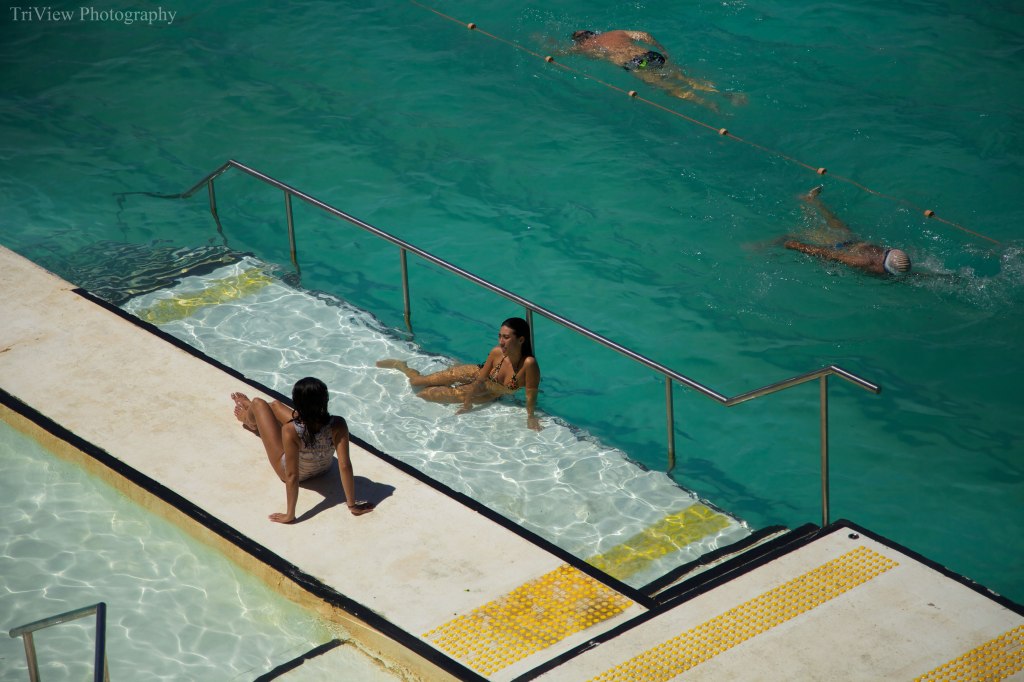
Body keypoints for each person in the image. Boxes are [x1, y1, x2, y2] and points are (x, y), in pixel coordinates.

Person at [231, 377, 375, 524]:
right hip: (324, 468)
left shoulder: (290, 430)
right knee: (275, 405)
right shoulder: (339, 424)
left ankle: (248, 419)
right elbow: (345, 466)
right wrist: (352, 505)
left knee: (258, 403)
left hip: (295, 474)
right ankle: (254, 412)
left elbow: (292, 475)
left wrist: (290, 514)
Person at [377, 317, 542, 431]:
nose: (501, 341)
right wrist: (468, 402)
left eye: (506, 337)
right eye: (499, 336)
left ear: (521, 340)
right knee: (417, 382)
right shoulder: (496, 352)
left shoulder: (528, 364)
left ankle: (453, 371)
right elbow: (480, 378)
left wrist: (530, 416)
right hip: (476, 373)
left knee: (425, 394)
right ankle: (402, 366)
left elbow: (531, 394)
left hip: (490, 392)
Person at [564, 29, 741, 111]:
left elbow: (563, 53)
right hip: (652, 54)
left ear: (582, 40)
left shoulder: (586, 47)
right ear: (593, 32)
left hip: (636, 63)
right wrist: (662, 49)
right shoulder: (616, 33)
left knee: (667, 87)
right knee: (687, 78)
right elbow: (645, 35)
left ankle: (708, 104)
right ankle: (726, 94)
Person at [784, 185, 911, 276]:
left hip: (845, 242)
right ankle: (808, 202)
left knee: (827, 221)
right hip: (842, 243)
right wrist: (798, 246)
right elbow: (830, 254)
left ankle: (810, 201)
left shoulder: (873, 259)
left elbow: (831, 254)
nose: (883, 252)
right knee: (822, 222)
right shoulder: (869, 262)